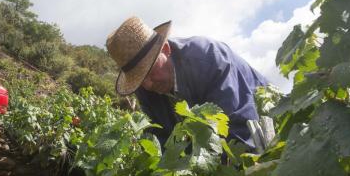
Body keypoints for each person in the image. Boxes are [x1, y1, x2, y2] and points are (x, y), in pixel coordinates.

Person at [106, 16, 268, 150]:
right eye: (140, 79)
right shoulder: (145, 89)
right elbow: (161, 137)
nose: (148, 84)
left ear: (166, 49)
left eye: (150, 71)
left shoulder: (209, 59)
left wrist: (197, 175)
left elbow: (240, 129)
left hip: (267, 121)